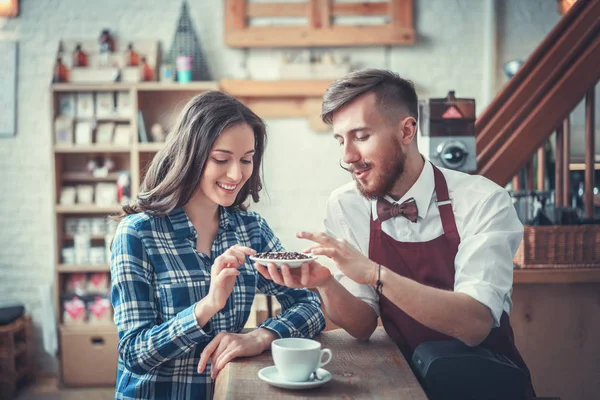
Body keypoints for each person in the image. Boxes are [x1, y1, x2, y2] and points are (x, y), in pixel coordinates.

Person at [255, 69, 534, 397]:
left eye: (360, 136)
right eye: (341, 140)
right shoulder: (347, 205)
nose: (347, 157)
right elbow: (361, 324)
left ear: (406, 130)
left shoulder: (483, 201)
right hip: (402, 383)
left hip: (484, 383)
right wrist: (326, 284)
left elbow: (473, 325)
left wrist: (374, 273)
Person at [110, 91, 325, 400]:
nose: (236, 174)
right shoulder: (138, 233)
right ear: (191, 155)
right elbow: (134, 354)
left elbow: (310, 305)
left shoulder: (251, 230)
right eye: (221, 159)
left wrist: (262, 336)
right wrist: (207, 306)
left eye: (247, 160)